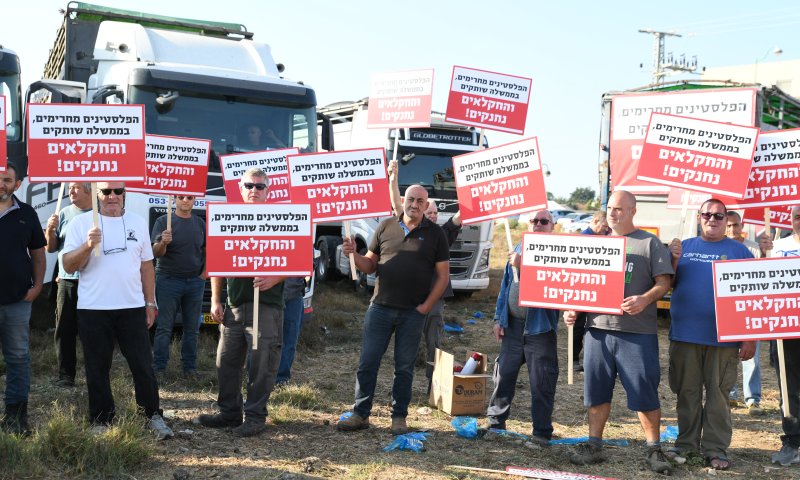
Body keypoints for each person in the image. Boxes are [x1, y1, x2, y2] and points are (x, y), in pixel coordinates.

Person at [563, 190, 673, 474]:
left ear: (633, 211)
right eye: (610, 208)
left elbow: (664, 283)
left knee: (643, 392)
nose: (613, 213)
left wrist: (645, 299)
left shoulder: (650, 243)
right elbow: (582, 287)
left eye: (620, 209)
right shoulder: (595, 245)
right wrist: (574, 309)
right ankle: (594, 445)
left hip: (636, 334)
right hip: (598, 331)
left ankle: (654, 450)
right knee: (596, 392)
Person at [62, 182, 173, 440]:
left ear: (125, 195)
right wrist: (88, 246)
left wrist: (150, 302)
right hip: (93, 308)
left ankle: (152, 416)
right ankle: (101, 419)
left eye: (118, 191)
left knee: (143, 365)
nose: (112, 196)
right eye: (106, 192)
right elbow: (68, 263)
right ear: (97, 195)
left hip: (132, 307)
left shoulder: (137, 222)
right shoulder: (82, 223)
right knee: (97, 366)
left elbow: (147, 266)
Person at [336, 184, 450, 435]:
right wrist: (353, 255)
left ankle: (399, 417)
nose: (415, 204)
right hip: (380, 309)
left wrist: (426, 307)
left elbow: (443, 277)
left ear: (426, 203)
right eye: (411, 199)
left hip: (413, 313)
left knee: (404, 367)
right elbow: (369, 265)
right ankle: (360, 414)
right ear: (403, 200)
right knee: (368, 362)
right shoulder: (385, 226)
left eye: (421, 201)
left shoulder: (436, 234)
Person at [667, 199, 755, 471]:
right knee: (687, 393)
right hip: (685, 336)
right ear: (699, 216)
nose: (712, 219)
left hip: (723, 340)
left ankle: (716, 449)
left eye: (719, 215)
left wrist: (750, 337)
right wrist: (672, 259)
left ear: (726, 219)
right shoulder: (684, 248)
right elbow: (665, 284)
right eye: (707, 214)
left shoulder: (740, 252)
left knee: (718, 397)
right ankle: (686, 445)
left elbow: (752, 297)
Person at [197, 168, 285, 437]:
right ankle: (229, 413)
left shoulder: (281, 221)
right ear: (241, 188)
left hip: (266, 307)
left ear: (268, 192)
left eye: (260, 187)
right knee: (226, 362)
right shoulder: (228, 219)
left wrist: (275, 278)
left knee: (261, 365)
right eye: (250, 185)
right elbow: (217, 264)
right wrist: (215, 299)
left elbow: (298, 261)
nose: (254, 191)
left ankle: (256, 417)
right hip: (234, 306)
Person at [387, 159, 461, 391]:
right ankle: (402, 386)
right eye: (429, 212)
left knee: (434, 342)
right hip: (408, 299)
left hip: (434, 300)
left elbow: (462, 214)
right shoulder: (407, 227)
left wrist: (474, 186)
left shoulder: (442, 233)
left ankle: (434, 386)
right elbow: (397, 206)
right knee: (406, 344)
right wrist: (393, 179)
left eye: (435, 212)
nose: (432, 215)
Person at [487, 209, 559, 445]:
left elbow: (549, 282)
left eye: (544, 221)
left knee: (542, 382)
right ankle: (496, 424)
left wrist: (524, 265)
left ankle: (541, 433)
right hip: (513, 328)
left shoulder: (557, 252)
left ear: (552, 226)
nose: (538, 224)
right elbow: (505, 288)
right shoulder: (517, 247)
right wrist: (499, 319)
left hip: (540, 330)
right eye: (534, 221)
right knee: (503, 376)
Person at [0, 164, 45, 435]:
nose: (2, 184)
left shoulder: (27, 213)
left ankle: (16, 418)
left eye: (7, 180)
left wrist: (38, 286)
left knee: (18, 359)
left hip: (17, 301)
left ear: (18, 184)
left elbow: (38, 254)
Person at [757, 205, 800, 467]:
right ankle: (793, 442)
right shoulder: (778, 246)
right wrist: (764, 254)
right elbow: (762, 278)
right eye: (797, 216)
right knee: (789, 387)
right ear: (791, 219)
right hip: (786, 329)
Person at [151, 194, 207, 378]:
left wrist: (203, 275)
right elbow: (156, 253)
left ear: (194, 201)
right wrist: (163, 243)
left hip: (194, 283)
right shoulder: (162, 222)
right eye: (181, 197)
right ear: (174, 199)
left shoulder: (200, 223)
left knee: (192, 328)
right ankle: (159, 368)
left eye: (189, 197)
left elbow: (207, 250)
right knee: (164, 327)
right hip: (168, 280)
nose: (185, 200)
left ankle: (189, 368)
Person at [44, 182, 92, 388]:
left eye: (77, 187)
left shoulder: (100, 212)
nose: (71, 191)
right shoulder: (63, 213)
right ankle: (66, 375)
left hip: (93, 280)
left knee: (93, 329)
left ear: (90, 191)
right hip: (67, 279)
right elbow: (51, 248)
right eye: (70, 187)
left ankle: (95, 373)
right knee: (65, 328)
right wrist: (50, 231)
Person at [725, 211, 763, 414]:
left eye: (736, 225)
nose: (732, 229)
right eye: (729, 225)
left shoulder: (753, 248)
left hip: (749, 307)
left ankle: (752, 398)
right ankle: (730, 393)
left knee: (752, 356)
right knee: (727, 354)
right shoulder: (721, 247)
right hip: (726, 308)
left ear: (742, 225)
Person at [572, 211, 611, 371]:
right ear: (595, 221)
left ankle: (594, 359)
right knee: (578, 326)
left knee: (596, 326)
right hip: (582, 289)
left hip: (598, 288)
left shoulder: (605, 237)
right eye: (604, 228)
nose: (606, 231)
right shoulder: (582, 239)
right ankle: (574, 359)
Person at [275, 276, 305, 385]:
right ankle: (259, 377)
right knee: (263, 338)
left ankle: (281, 379)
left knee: (290, 339)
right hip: (268, 294)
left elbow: (309, 264)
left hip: (294, 293)